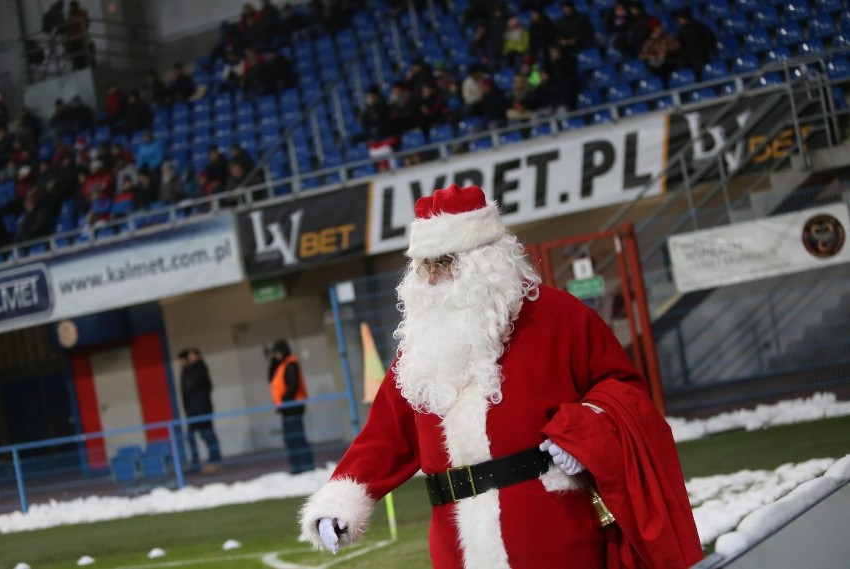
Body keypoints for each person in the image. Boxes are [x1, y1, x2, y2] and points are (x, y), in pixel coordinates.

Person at [299, 185, 703, 568]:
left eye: (445, 262)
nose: (434, 278)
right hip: (456, 543)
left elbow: (622, 388)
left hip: (550, 527)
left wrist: (582, 432)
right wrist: (341, 499)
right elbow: (387, 434)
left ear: (487, 260)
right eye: (425, 266)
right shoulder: (421, 347)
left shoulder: (559, 318)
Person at [268, 339, 314, 474]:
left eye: (276, 353)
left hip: (292, 407)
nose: (275, 357)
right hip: (288, 408)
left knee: (296, 437)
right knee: (291, 438)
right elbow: (271, 377)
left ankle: (305, 465)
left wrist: (284, 400)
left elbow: (293, 385)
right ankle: (298, 466)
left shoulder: (290, 364)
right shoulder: (282, 365)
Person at [178, 348, 222, 474]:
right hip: (193, 411)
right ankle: (197, 460)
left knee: (207, 434)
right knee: (193, 435)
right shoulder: (188, 371)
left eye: (192, 356)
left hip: (201, 410)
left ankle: (215, 457)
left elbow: (193, 388)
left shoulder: (200, 369)